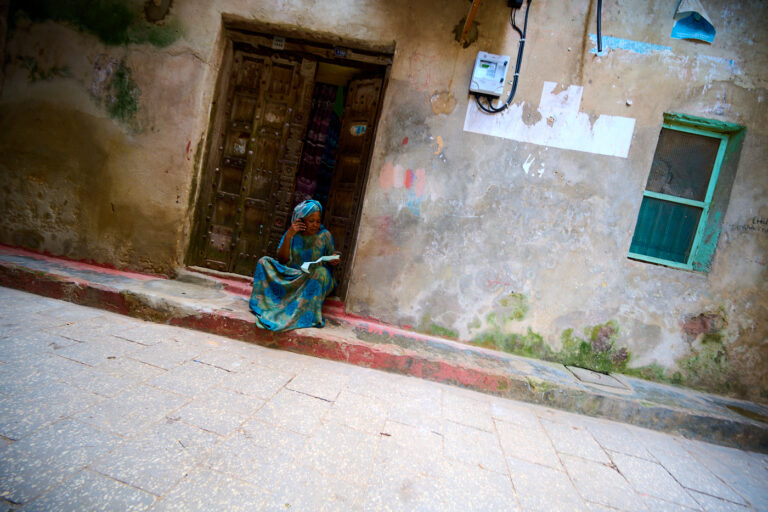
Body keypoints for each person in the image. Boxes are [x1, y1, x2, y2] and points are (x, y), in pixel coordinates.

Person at [249, 199, 340, 331]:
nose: (315, 225)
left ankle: (304, 315)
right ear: (301, 221)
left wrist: (334, 260)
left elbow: (331, 258)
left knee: (319, 272)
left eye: (318, 221)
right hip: (293, 276)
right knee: (264, 261)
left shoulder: (325, 235)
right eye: (311, 221)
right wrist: (289, 235)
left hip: (312, 278)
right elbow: (282, 260)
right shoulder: (292, 234)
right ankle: (267, 304)